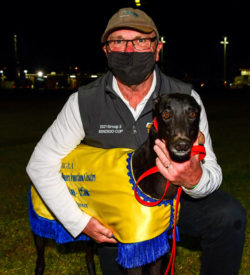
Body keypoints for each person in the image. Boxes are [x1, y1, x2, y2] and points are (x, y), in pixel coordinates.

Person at [27, 7, 246, 275]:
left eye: (141, 40)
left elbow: (213, 172)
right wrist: (80, 222)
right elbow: (39, 164)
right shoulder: (83, 102)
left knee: (228, 215)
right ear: (106, 51)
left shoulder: (186, 99)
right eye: (119, 41)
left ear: (157, 48)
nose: (129, 50)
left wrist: (193, 178)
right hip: (117, 214)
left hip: (172, 202)